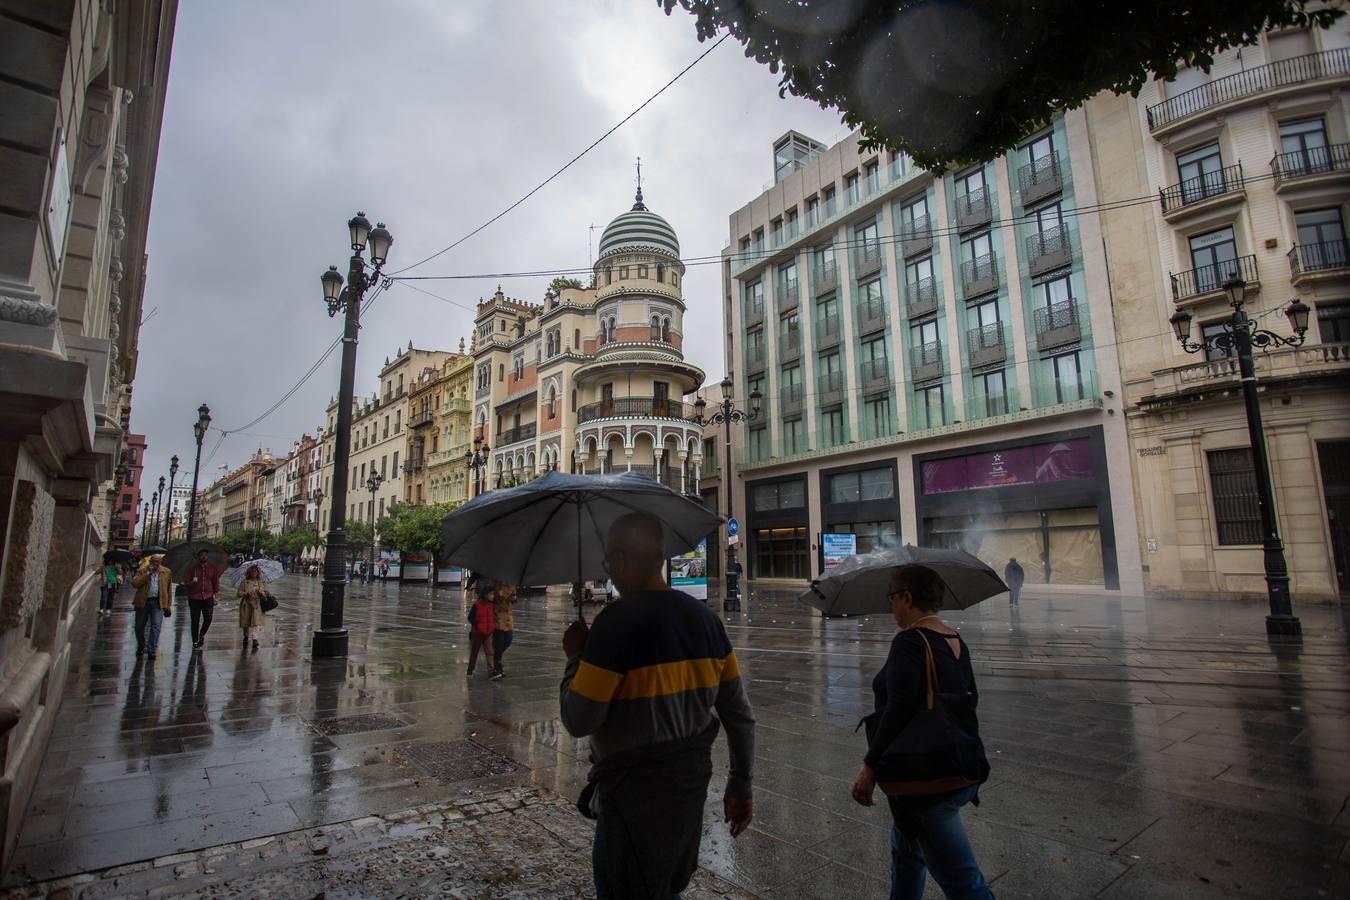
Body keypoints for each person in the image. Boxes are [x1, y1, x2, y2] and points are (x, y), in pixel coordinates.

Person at [560, 512, 755, 898]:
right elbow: (739, 715)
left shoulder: (614, 625)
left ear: (621, 559)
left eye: (609, 560)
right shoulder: (706, 621)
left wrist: (575, 658)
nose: (609, 570)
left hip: (631, 802)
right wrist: (741, 784)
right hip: (687, 795)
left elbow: (579, 718)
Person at [851, 565, 993, 900]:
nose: (890, 607)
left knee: (964, 883)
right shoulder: (953, 638)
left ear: (907, 597)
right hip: (961, 762)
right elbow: (968, 699)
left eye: (892, 598)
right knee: (906, 853)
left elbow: (899, 708)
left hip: (928, 778)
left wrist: (870, 765)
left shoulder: (910, 642)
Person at [131, 555, 173, 659]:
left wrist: (168, 605)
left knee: (156, 626)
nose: (155, 563)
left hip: (158, 602)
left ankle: (152, 649)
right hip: (142, 602)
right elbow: (135, 584)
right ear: (150, 561)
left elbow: (169, 589)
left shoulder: (166, 572)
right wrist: (148, 573)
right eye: (153, 561)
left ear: (161, 561)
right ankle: (141, 645)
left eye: (158, 561)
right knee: (139, 627)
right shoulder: (143, 570)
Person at [186, 549, 222, 650]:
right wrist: (193, 582)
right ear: (198, 557)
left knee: (208, 618)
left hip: (208, 597)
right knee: (195, 620)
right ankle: (195, 641)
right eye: (201, 555)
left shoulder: (213, 569)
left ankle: (201, 635)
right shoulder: (193, 569)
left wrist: (216, 596)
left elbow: (216, 583)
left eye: (205, 555)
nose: (203, 557)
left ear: (207, 557)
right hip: (194, 598)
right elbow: (186, 584)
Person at [237, 565, 269, 652]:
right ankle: (246, 636)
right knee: (246, 623)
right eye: (252, 571)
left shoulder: (262, 582)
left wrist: (262, 593)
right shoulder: (244, 582)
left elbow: (267, 593)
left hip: (258, 605)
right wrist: (246, 594)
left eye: (255, 571)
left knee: (256, 623)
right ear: (249, 573)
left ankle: (255, 639)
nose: (254, 573)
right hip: (247, 604)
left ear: (258, 572)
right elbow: (239, 593)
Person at [490, 580, 516, 681]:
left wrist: (514, 598)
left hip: (508, 618)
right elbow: (490, 597)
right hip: (498, 617)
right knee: (499, 643)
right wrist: (498, 595)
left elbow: (514, 601)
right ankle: (497, 663)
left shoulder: (512, 583)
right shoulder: (496, 583)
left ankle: (496, 659)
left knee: (508, 640)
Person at [466, 588, 495, 678]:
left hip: (488, 633)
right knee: (474, 652)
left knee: (489, 652)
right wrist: (477, 625)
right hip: (477, 633)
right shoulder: (477, 605)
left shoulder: (492, 605)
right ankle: (470, 670)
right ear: (485, 595)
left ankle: (491, 671)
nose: (492, 596)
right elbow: (470, 617)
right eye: (490, 594)